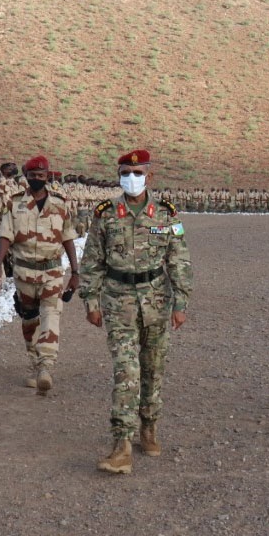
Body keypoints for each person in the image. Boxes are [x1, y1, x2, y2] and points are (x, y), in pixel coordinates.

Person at [79, 149, 192, 475]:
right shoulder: (105, 214)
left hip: (156, 300)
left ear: (149, 176)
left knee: (153, 368)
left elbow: (179, 258)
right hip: (119, 301)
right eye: (126, 173)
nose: (132, 178)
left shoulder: (167, 214)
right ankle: (122, 444)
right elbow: (92, 260)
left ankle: (149, 426)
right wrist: (91, 301)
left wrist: (181, 303)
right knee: (126, 371)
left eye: (138, 173)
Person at [0, 155, 80, 395]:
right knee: (29, 319)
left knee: (51, 315)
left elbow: (68, 238)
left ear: (47, 176)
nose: (36, 179)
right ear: (26, 177)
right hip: (24, 273)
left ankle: (46, 367)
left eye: (41, 176)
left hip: (51, 271)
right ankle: (34, 364)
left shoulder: (60, 204)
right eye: (32, 176)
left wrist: (75, 271)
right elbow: (5, 235)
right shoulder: (15, 204)